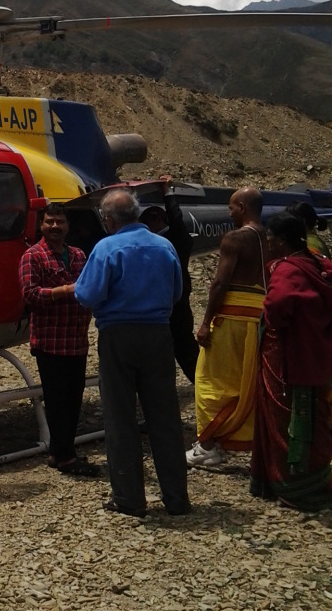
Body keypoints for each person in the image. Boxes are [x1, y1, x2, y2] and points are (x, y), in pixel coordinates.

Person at [73, 189, 190, 517]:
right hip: (158, 334)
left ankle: (129, 498)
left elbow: (87, 294)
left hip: (119, 336)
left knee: (120, 416)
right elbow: (178, 291)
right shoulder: (164, 245)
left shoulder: (107, 247)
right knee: (165, 416)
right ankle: (177, 498)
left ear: (108, 220)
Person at [250, 212, 332, 511]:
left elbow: (277, 308)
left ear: (282, 241)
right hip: (318, 356)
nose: (268, 244)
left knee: (285, 418)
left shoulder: (287, 271)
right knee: (316, 417)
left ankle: (297, 488)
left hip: (288, 360)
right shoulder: (318, 266)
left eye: (270, 239)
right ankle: (318, 480)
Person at [188, 186, 270, 469]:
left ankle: (208, 445)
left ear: (243, 208)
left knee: (211, 378)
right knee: (245, 381)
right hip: (256, 316)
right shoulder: (267, 238)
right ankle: (231, 439)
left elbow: (220, 283)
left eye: (232, 207)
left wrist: (205, 321)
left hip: (232, 316)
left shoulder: (235, 238)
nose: (229, 212)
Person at [18, 202, 97, 476]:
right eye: (49, 221)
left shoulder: (78, 255)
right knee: (57, 401)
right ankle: (66, 458)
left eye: (59, 222)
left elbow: (90, 288)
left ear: (67, 226)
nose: (54, 226)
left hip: (76, 340)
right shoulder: (33, 256)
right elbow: (30, 296)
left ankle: (58, 451)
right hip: (50, 343)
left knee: (74, 400)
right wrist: (65, 289)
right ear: (41, 225)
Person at [140, 177, 199, 383]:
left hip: (171, 307)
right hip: (171, 306)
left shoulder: (174, 239)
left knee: (182, 349)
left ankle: (203, 387)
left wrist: (168, 193)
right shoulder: (175, 241)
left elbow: (176, 218)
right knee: (184, 350)